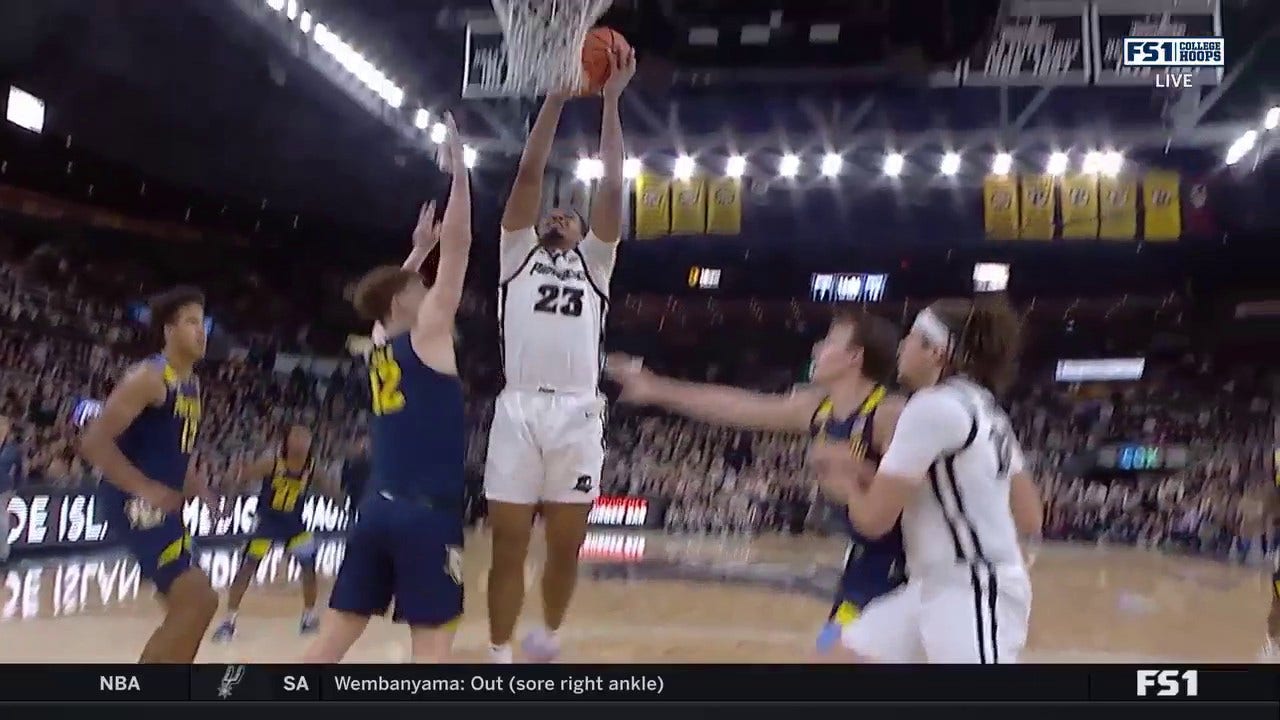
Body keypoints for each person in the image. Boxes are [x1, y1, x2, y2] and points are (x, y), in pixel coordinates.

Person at [606, 309, 916, 661]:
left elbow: (917, 501)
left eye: (828, 341)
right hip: (860, 572)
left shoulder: (890, 414)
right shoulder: (818, 409)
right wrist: (656, 388)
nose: (815, 349)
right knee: (824, 654)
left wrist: (857, 477)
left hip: (908, 572)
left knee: (834, 661)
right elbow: (738, 406)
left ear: (853, 356)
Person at [484, 47, 636, 663]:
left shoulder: (596, 264)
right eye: (555, 211)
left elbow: (613, 186)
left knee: (566, 543)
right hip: (518, 409)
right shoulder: (516, 252)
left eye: (569, 215)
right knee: (508, 544)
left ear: (581, 234)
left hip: (577, 412)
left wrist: (610, 102)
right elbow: (527, 176)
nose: (558, 215)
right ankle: (497, 653)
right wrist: (553, 95)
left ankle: (546, 636)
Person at [301, 112, 470, 663]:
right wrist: (460, 173)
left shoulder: (380, 343)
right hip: (427, 515)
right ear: (403, 303)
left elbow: (382, 301)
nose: (429, 290)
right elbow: (462, 248)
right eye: (421, 285)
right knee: (431, 651)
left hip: (375, 510)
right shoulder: (428, 338)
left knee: (331, 644)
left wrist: (419, 251)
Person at [823, 295, 1032, 663]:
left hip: (964, 589)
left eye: (912, 337)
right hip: (929, 586)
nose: (902, 346)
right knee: (831, 659)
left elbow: (872, 520)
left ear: (936, 352)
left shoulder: (929, 407)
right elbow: (1031, 516)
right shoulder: (985, 408)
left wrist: (847, 481)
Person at [80, 286, 220, 662]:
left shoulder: (191, 384)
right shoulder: (148, 377)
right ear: (169, 330)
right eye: (191, 322)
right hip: (134, 504)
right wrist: (147, 489)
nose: (201, 330)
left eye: (203, 322)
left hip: (162, 508)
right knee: (198, 600)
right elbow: (94, 442)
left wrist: (201, 489)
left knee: (193, 609)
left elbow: (178, 450)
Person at [212, 424, 340, 641]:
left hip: (294, 525)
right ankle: (228, 621)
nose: (301, 442)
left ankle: (308, 618)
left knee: (309, 568)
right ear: (287, 440)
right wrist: (229, 500)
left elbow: (331, 490)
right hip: (268, 523)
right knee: (247, 568)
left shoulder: (313, 467)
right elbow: (244, 479)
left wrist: (336, 493)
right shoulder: (272, 462)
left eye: (305, 438)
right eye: (297, 437)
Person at [0, 415, 16, 565]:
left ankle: (3, 556)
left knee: (2, 522)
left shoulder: (11, 450)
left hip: (3, 489)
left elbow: (14, 470)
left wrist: (11, 489)